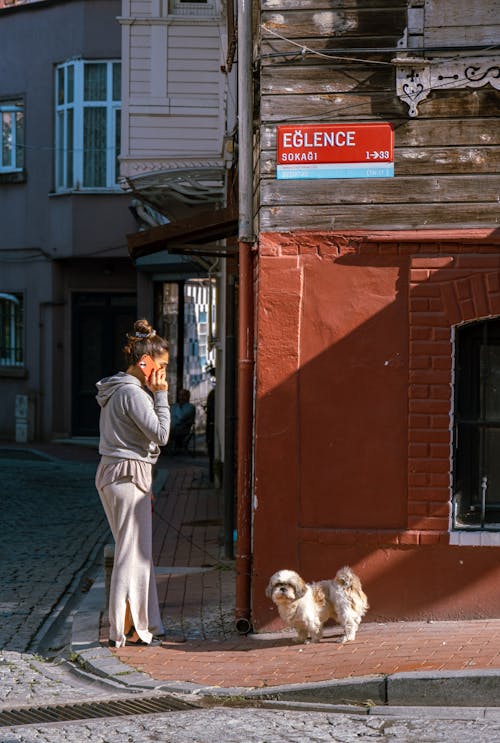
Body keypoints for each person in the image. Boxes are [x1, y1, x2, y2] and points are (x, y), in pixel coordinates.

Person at [95, 318, 170, 648]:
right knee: (131, 555)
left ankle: (146, 623)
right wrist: (162, 395)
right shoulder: (133, 394)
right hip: (128, 477)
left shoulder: (116, 390)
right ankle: (122, 630)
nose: (164, 373)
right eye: (162, 366)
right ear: (146, 363)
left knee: (138, 553)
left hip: (115, 474)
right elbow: (162, 434)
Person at [170, 388, 196, 452]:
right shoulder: (174, 406)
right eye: (180, 395)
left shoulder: (190, 407)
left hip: (182, 429)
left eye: (183, 395)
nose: (181, 397)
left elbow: (181, 417)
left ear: (187, 397)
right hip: (171, 427)